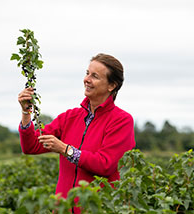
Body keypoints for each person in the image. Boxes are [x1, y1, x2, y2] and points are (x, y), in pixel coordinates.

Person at [17, 53, 136, 213]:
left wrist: (66, 150)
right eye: (87, 73)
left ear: (111, 85)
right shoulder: (70, 117)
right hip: (62, 209)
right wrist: (26, 113)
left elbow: (106, 165)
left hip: (97, 210)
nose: (87, 79)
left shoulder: (121, 120)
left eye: (95, 76)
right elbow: (31, 146)